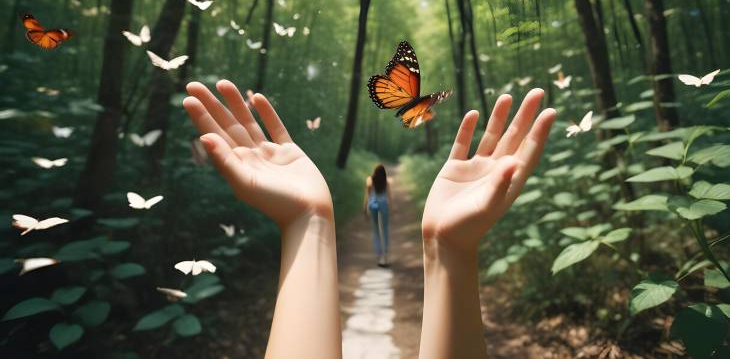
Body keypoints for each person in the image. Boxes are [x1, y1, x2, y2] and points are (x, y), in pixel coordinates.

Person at [183, 80, 555, 359]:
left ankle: (380, 252)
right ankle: (383, 253)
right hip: (382, 212)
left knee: (380, 236)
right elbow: (382, 194)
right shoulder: (378, 178)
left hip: (371, 210)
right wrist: (450, 251)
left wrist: (307, 221)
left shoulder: (370, 179)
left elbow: (372, 195)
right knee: (383, 236)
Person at [362, 164, 392, 267]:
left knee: (376, 231)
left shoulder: (369, 180)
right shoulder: (386, 181)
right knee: (385, 230)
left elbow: (367, 195)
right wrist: (390, 209)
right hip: (384, 205)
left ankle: (378, 255)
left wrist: (364, 208)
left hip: (373, 205)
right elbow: (389, 196)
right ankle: (385, 256)